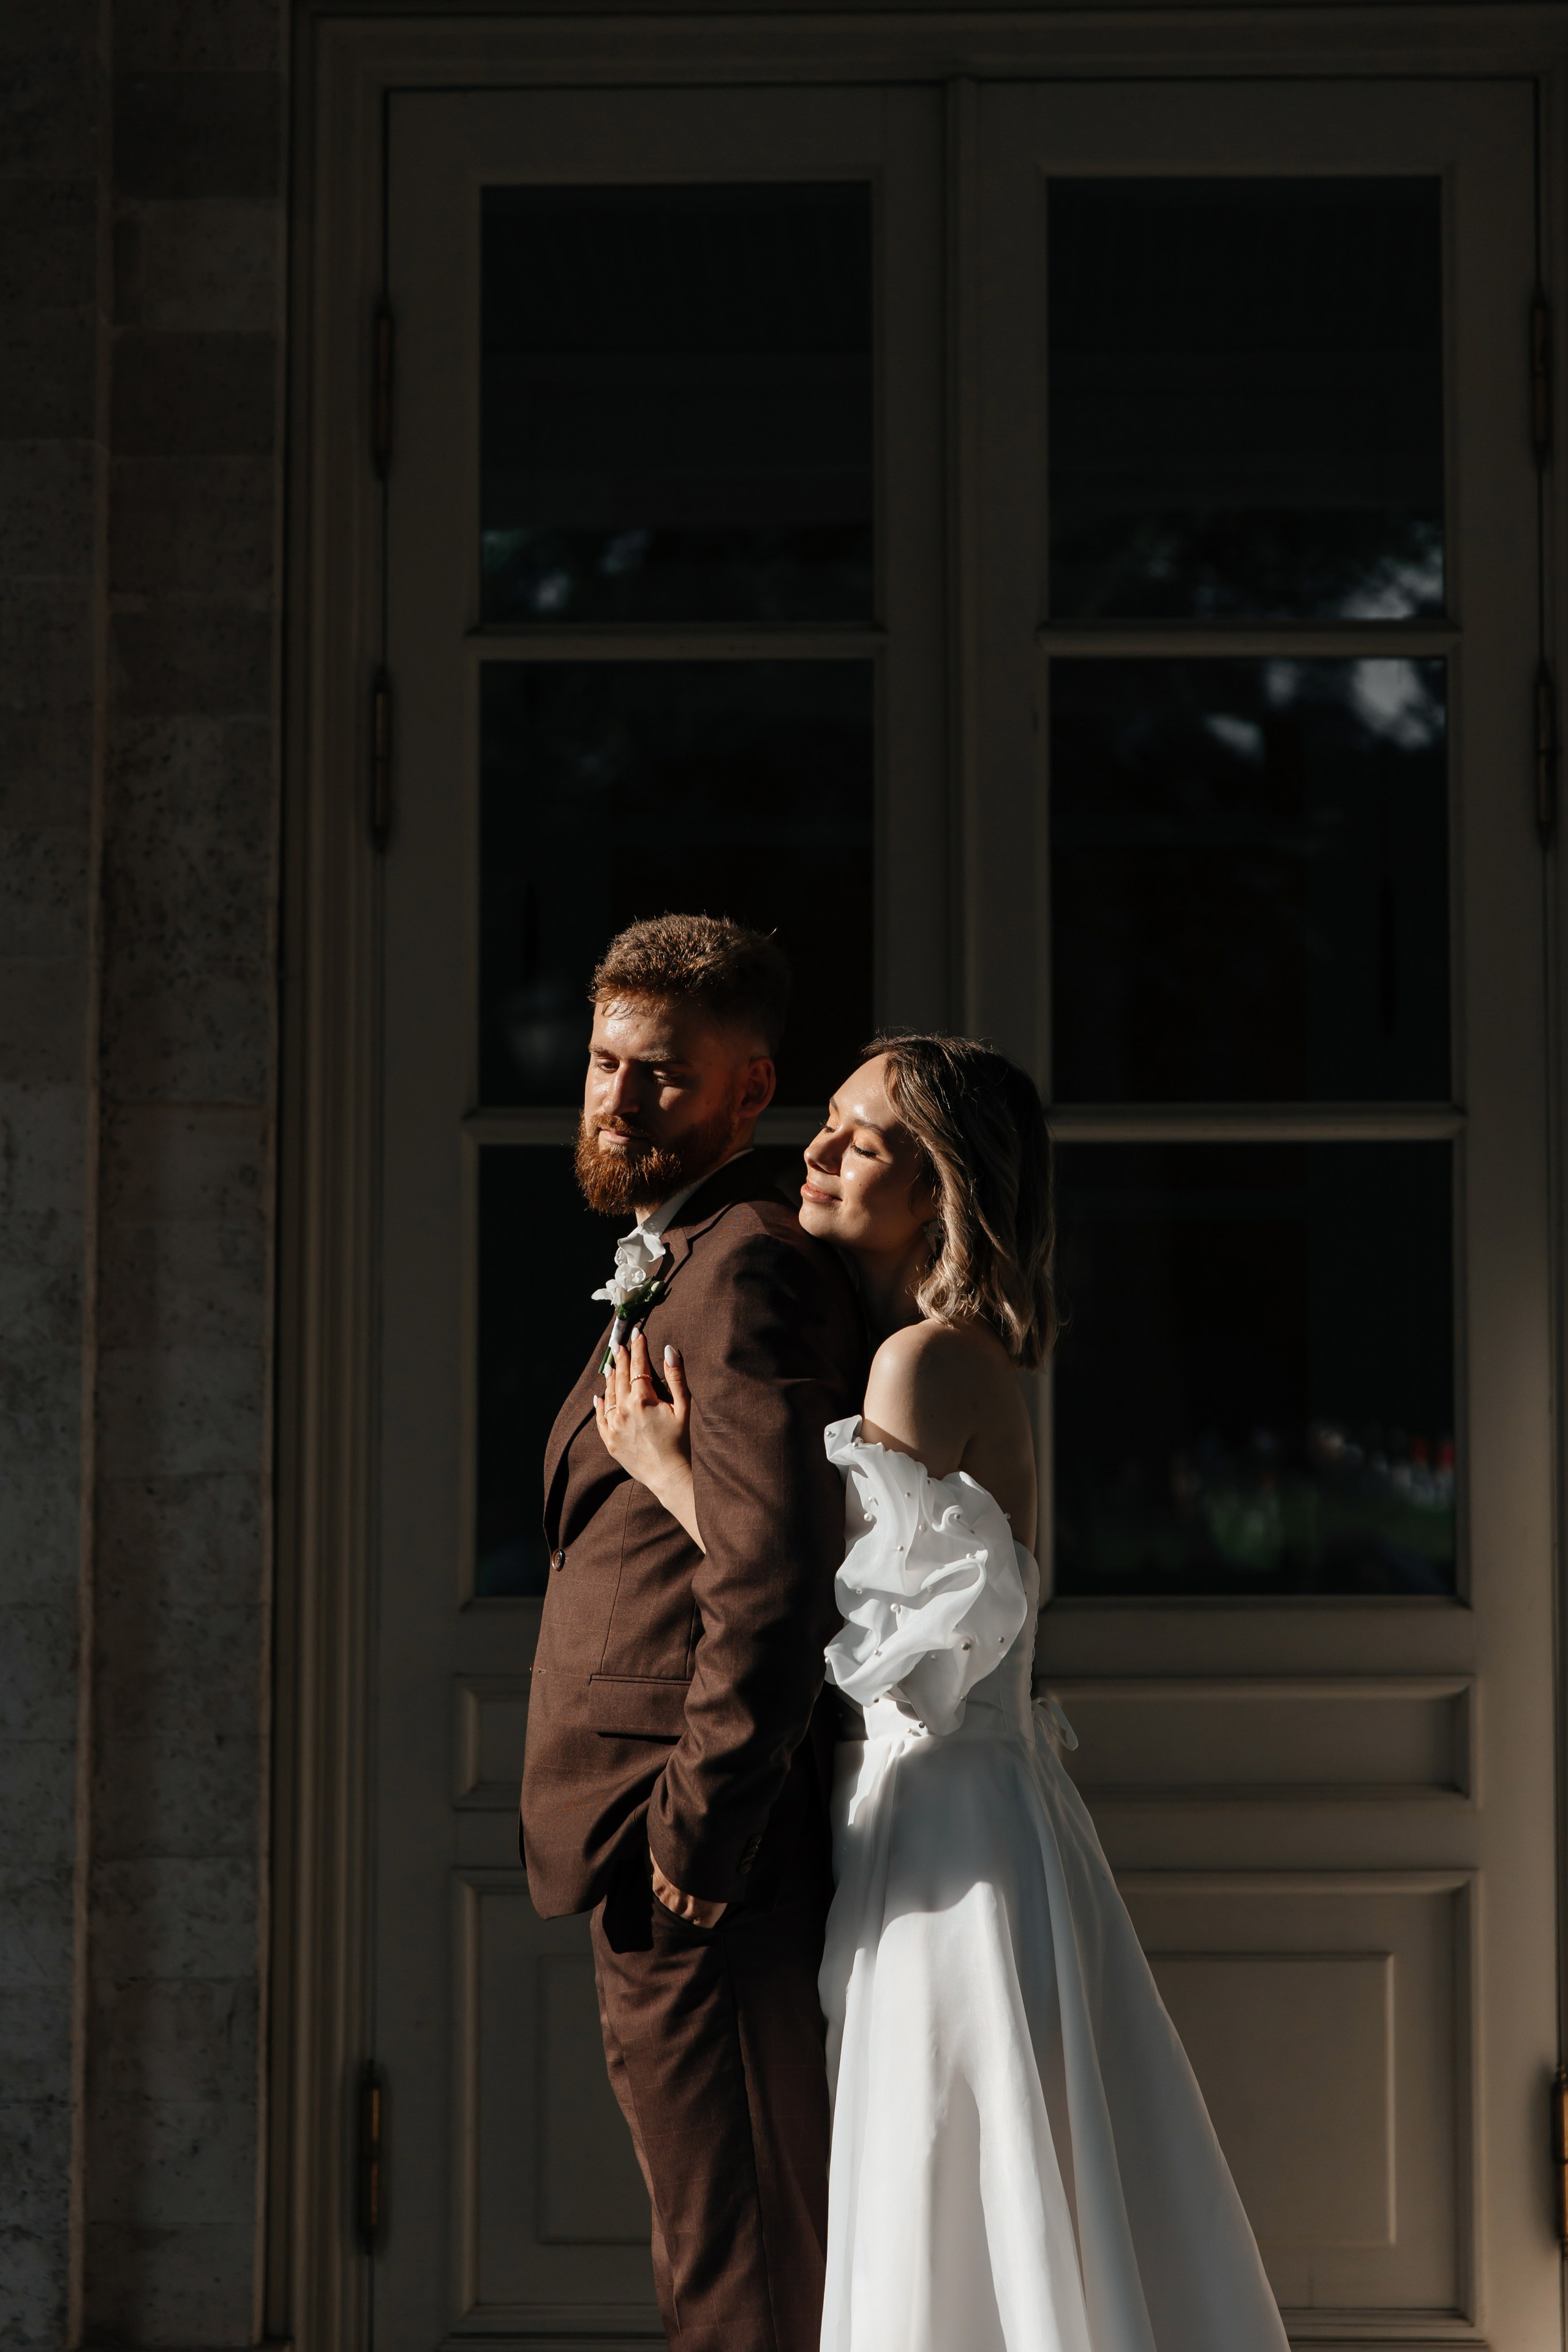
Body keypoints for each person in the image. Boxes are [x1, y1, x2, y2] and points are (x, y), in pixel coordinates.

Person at [597, 1032, 1292, 2352]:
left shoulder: (918, 1365)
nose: (814, 1148)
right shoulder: (952, 1355)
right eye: (831, 1123)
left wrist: (670, 1474)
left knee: (946, 2174)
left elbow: (856, 1629)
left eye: (861, 1141)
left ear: (942, 1192)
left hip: (943, 1830)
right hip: (975, 1807)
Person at [519, 913, 865, 2352]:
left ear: (749, 1088)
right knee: (715, 2250)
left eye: (660, 1073)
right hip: (651, 1847)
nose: (616, 1099)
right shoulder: (683, 1252)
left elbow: (777, 1577)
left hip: (698, 1860)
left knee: (741, 2277)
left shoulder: (745, 1272)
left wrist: (693, 1845)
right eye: (603, 1062)